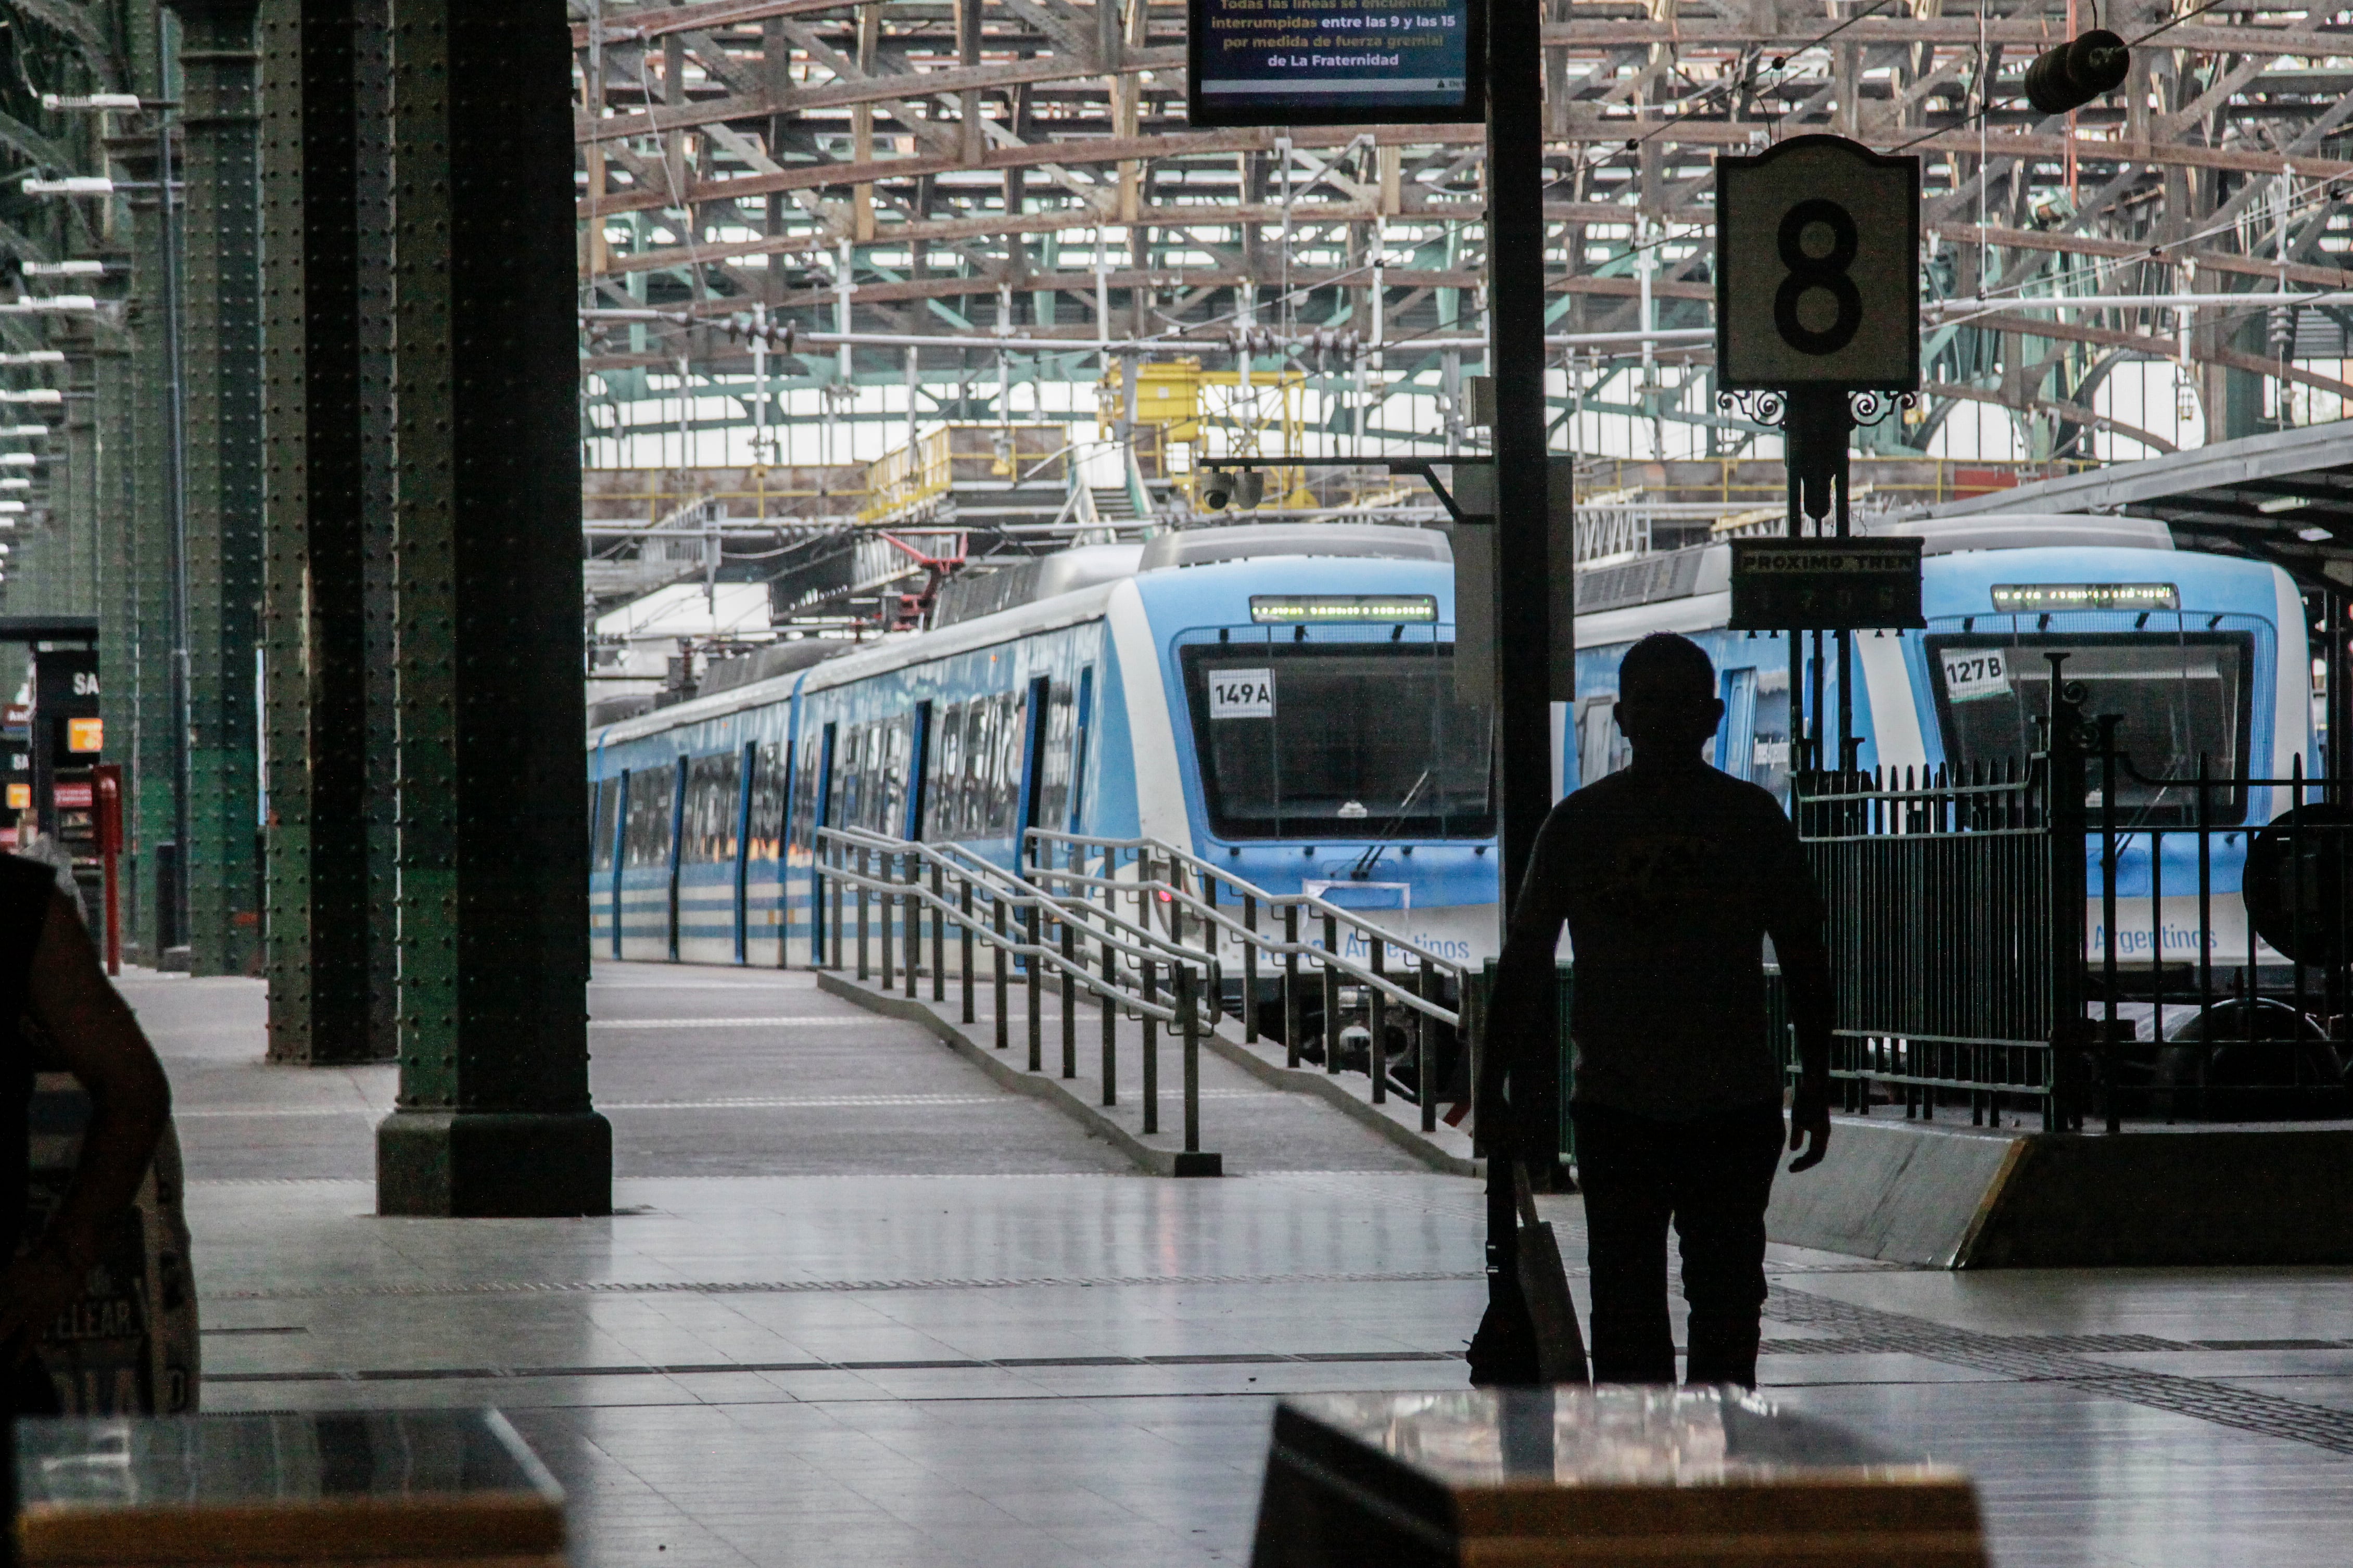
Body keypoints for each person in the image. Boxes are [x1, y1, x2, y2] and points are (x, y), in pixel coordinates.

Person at [1484, 631, 1832, 1388]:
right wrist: (1815, 1078)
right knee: (1727, 1296)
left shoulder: (1580, 824)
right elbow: (1805, 951)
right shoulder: (1751, 821)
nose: (1667, 722)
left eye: (1677, 706)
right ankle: (1719, 1452)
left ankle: (1641, 1466)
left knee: (1628, 1299)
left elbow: (1525, 960)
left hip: (1624, 1105)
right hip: (1722, 1102)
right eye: (1655, 705)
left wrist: (1491, 1088)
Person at [0, 853, 171, 1412]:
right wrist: (63, 1262)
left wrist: (61, 1263)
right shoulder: (19, 904)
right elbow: (135, 1086)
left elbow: (136, 1089)